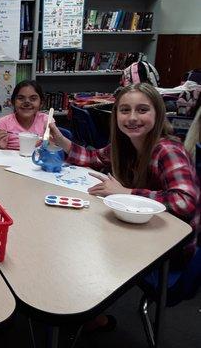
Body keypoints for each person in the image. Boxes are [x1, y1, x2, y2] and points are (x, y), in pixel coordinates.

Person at [50, 83, 200, 332]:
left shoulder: (167, 149)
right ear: (115, 115)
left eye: (142, 110)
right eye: (124, 110)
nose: (132, 118)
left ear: (158, 114)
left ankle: (84, 311)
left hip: (169, 249)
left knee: (86, 246)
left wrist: (126, 193)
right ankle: (82, 307)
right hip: (144, 232)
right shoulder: (126, 144)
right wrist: (64, 143)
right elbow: (95, 158)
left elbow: (184, 202)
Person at [0, 81, 53, 150]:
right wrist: (1, 148)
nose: (27, 102)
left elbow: (52, 151)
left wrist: (49, 145)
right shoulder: (3, 123)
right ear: (13, 102)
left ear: (41, 103)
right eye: (21, 98)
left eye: (33, 99)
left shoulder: (47, 121)